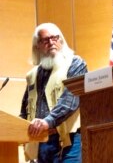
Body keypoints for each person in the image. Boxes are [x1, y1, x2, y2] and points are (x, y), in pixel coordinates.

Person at [20, 22, 88, 162]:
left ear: (61, 40)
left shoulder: (76, 64)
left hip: (69, 140)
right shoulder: (32, 75)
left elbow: (71, 100)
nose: (51, 42)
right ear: (37, 45)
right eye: (45, 40)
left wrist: (47, 121)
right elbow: (24, 110)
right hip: (40, 141)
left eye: (55, 38)